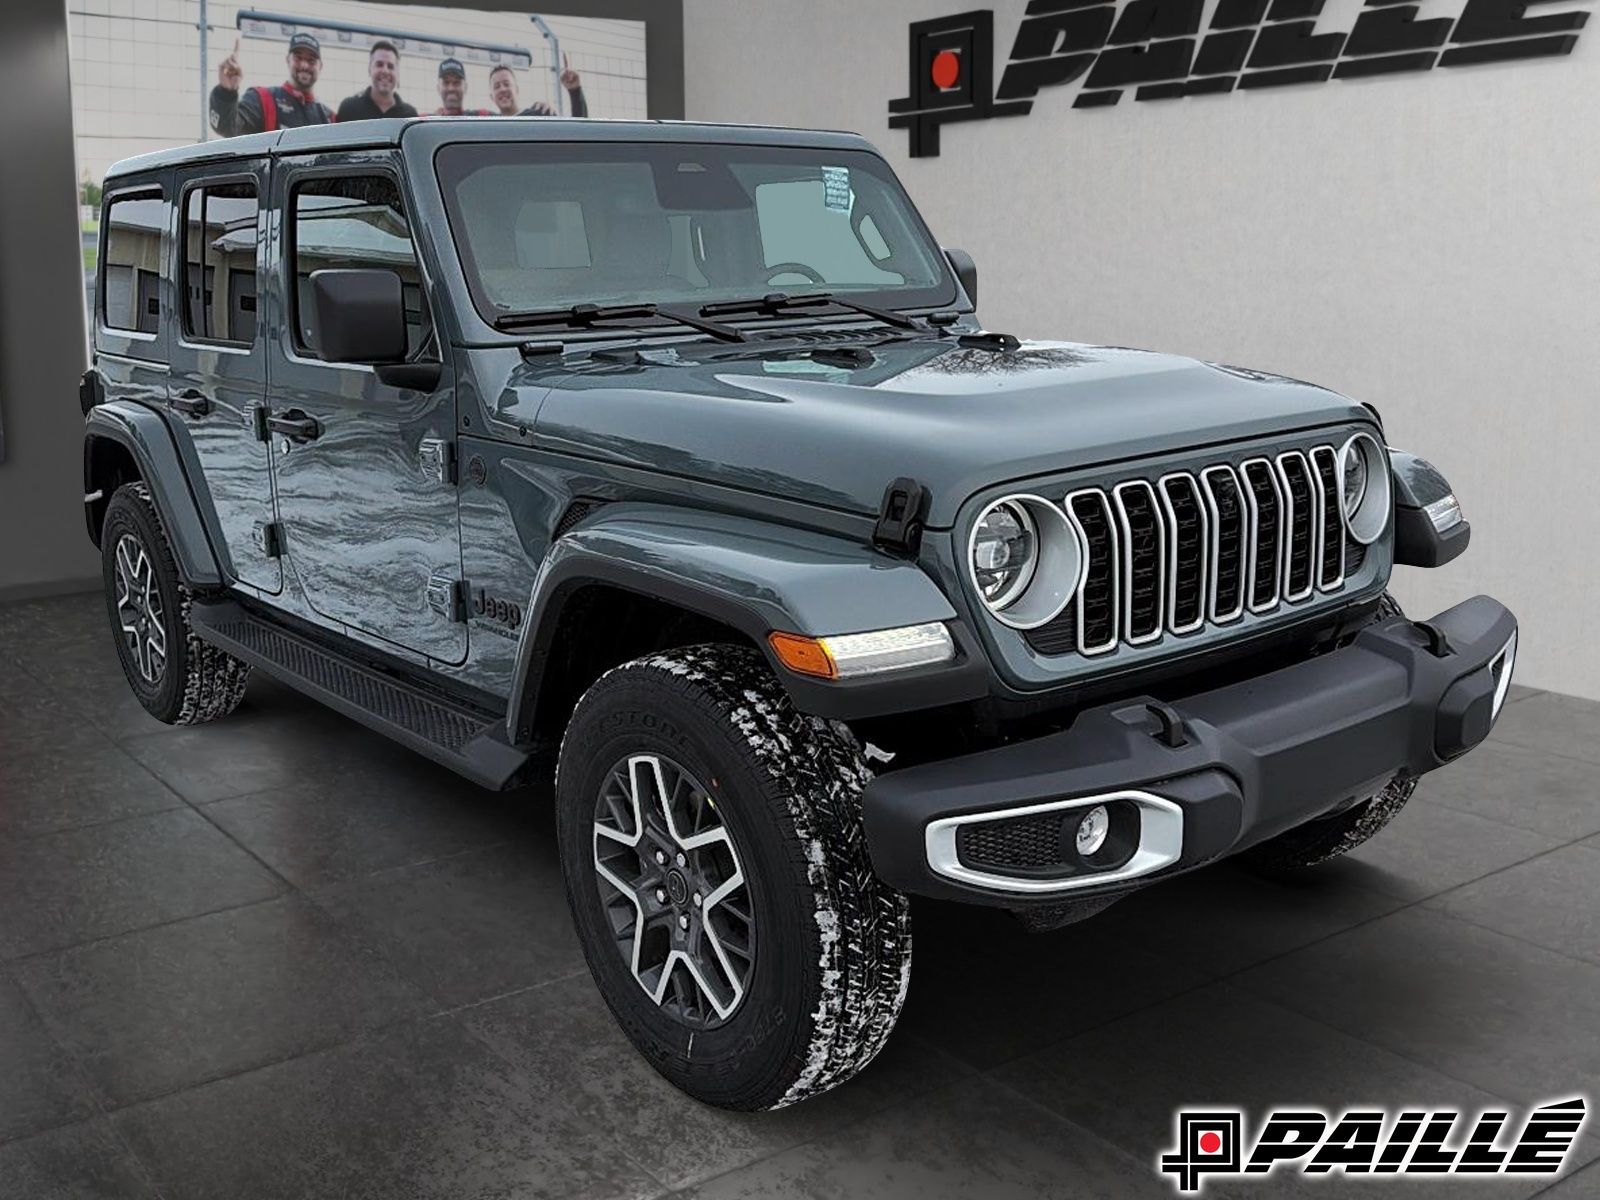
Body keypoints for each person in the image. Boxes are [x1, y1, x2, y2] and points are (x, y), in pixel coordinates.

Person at [210, 32, 334, 136]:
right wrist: (226, 93)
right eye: (298, 58)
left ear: (320, 66)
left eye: (311, 60)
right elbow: (227, 127)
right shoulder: (262, 99)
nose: (304, 65)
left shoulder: (330, 118)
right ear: (288, 60)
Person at [336, 41, 418, 122]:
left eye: (390, 66)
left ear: (397, 73)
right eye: (379, 64)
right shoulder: (349, 108)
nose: (385, 71)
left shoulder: (410, 116)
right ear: (369, 69)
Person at [488, 55, 588, 117]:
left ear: (517, 90)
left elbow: (576, 136)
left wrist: (575, 91)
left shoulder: (540, 114)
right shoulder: (489, 128)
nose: (502, 89)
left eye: (507, 84)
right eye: (496, 86)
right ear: (492, 97)